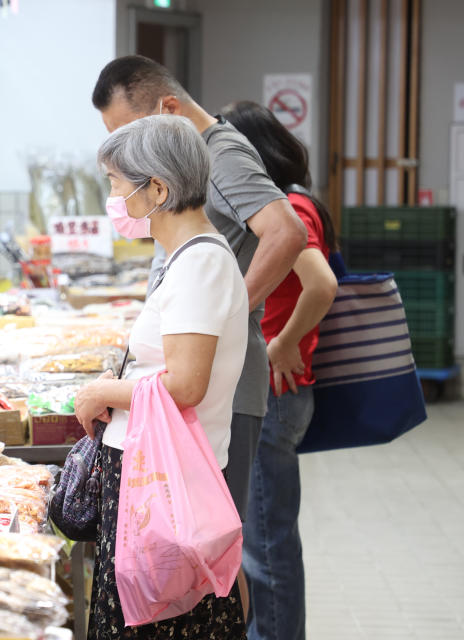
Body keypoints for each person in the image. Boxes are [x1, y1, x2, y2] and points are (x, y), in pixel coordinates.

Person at [91, 56, 307, 537]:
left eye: (134, 131)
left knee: (216, 541)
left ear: (169, 108)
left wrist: (222, 320)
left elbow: (286, 233)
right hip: (195, 366)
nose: (129, 153)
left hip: (212, 379)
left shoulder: (221, 153)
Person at [75, 115, 249, 639]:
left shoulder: (201, 264)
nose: (114, 199)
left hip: (164, 483)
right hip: (150, 474)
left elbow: (186, 384)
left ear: (157, 188)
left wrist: (105, 390)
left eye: (116, 185)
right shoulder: (185, 258)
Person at [220, 100, 339, 640]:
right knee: (267, 539)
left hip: (277, 391)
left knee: (267, 544)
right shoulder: (296, 202)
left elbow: (321, 284)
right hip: (281, 392)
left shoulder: (288, 208)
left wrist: (281, 342)